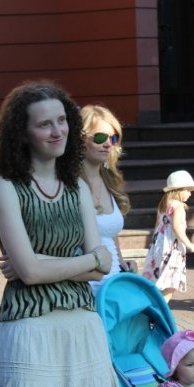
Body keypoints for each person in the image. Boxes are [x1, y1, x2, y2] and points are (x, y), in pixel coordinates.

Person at [0, 80, 135, 387]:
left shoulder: (76, 187)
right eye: (44, 124)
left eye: (61, 121)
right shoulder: (6, 187)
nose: (57, 131)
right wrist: (79, 261)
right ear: (22, 132)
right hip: (30, 331)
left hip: (81, 329)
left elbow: (102, 266)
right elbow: (35, 272)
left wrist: (43, 263)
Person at [79, 104, 134, 294]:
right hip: (84, 289)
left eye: (113, 138)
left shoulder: (109, 181)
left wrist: (123, 263)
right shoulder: (69, 184)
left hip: (112, 288)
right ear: (80, 139)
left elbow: (109, 233)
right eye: (100, 137)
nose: (108, 144)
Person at [141, 170, 194, 302]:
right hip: (172, 249)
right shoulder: (178, 207)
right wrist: (189, 244)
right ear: (178, 190)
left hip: (159, 246)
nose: (190, 193)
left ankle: (151, 305)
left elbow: (157, 225)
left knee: (158, 279)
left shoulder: (163, 205)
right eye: (187, 190)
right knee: (171, 283)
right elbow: (177, 227)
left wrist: (154, 244)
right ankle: (159, 309)